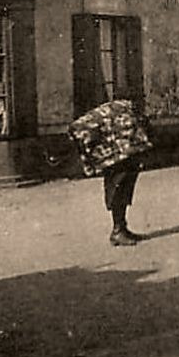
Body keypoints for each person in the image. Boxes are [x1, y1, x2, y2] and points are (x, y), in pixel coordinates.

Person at [69, 95, 153, 245]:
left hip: (119, 155)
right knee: (118, 189)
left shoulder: (122, 110)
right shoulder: (124, 112)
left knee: (124, 189)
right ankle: (118, 231)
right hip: (116, 158)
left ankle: (121, 228)